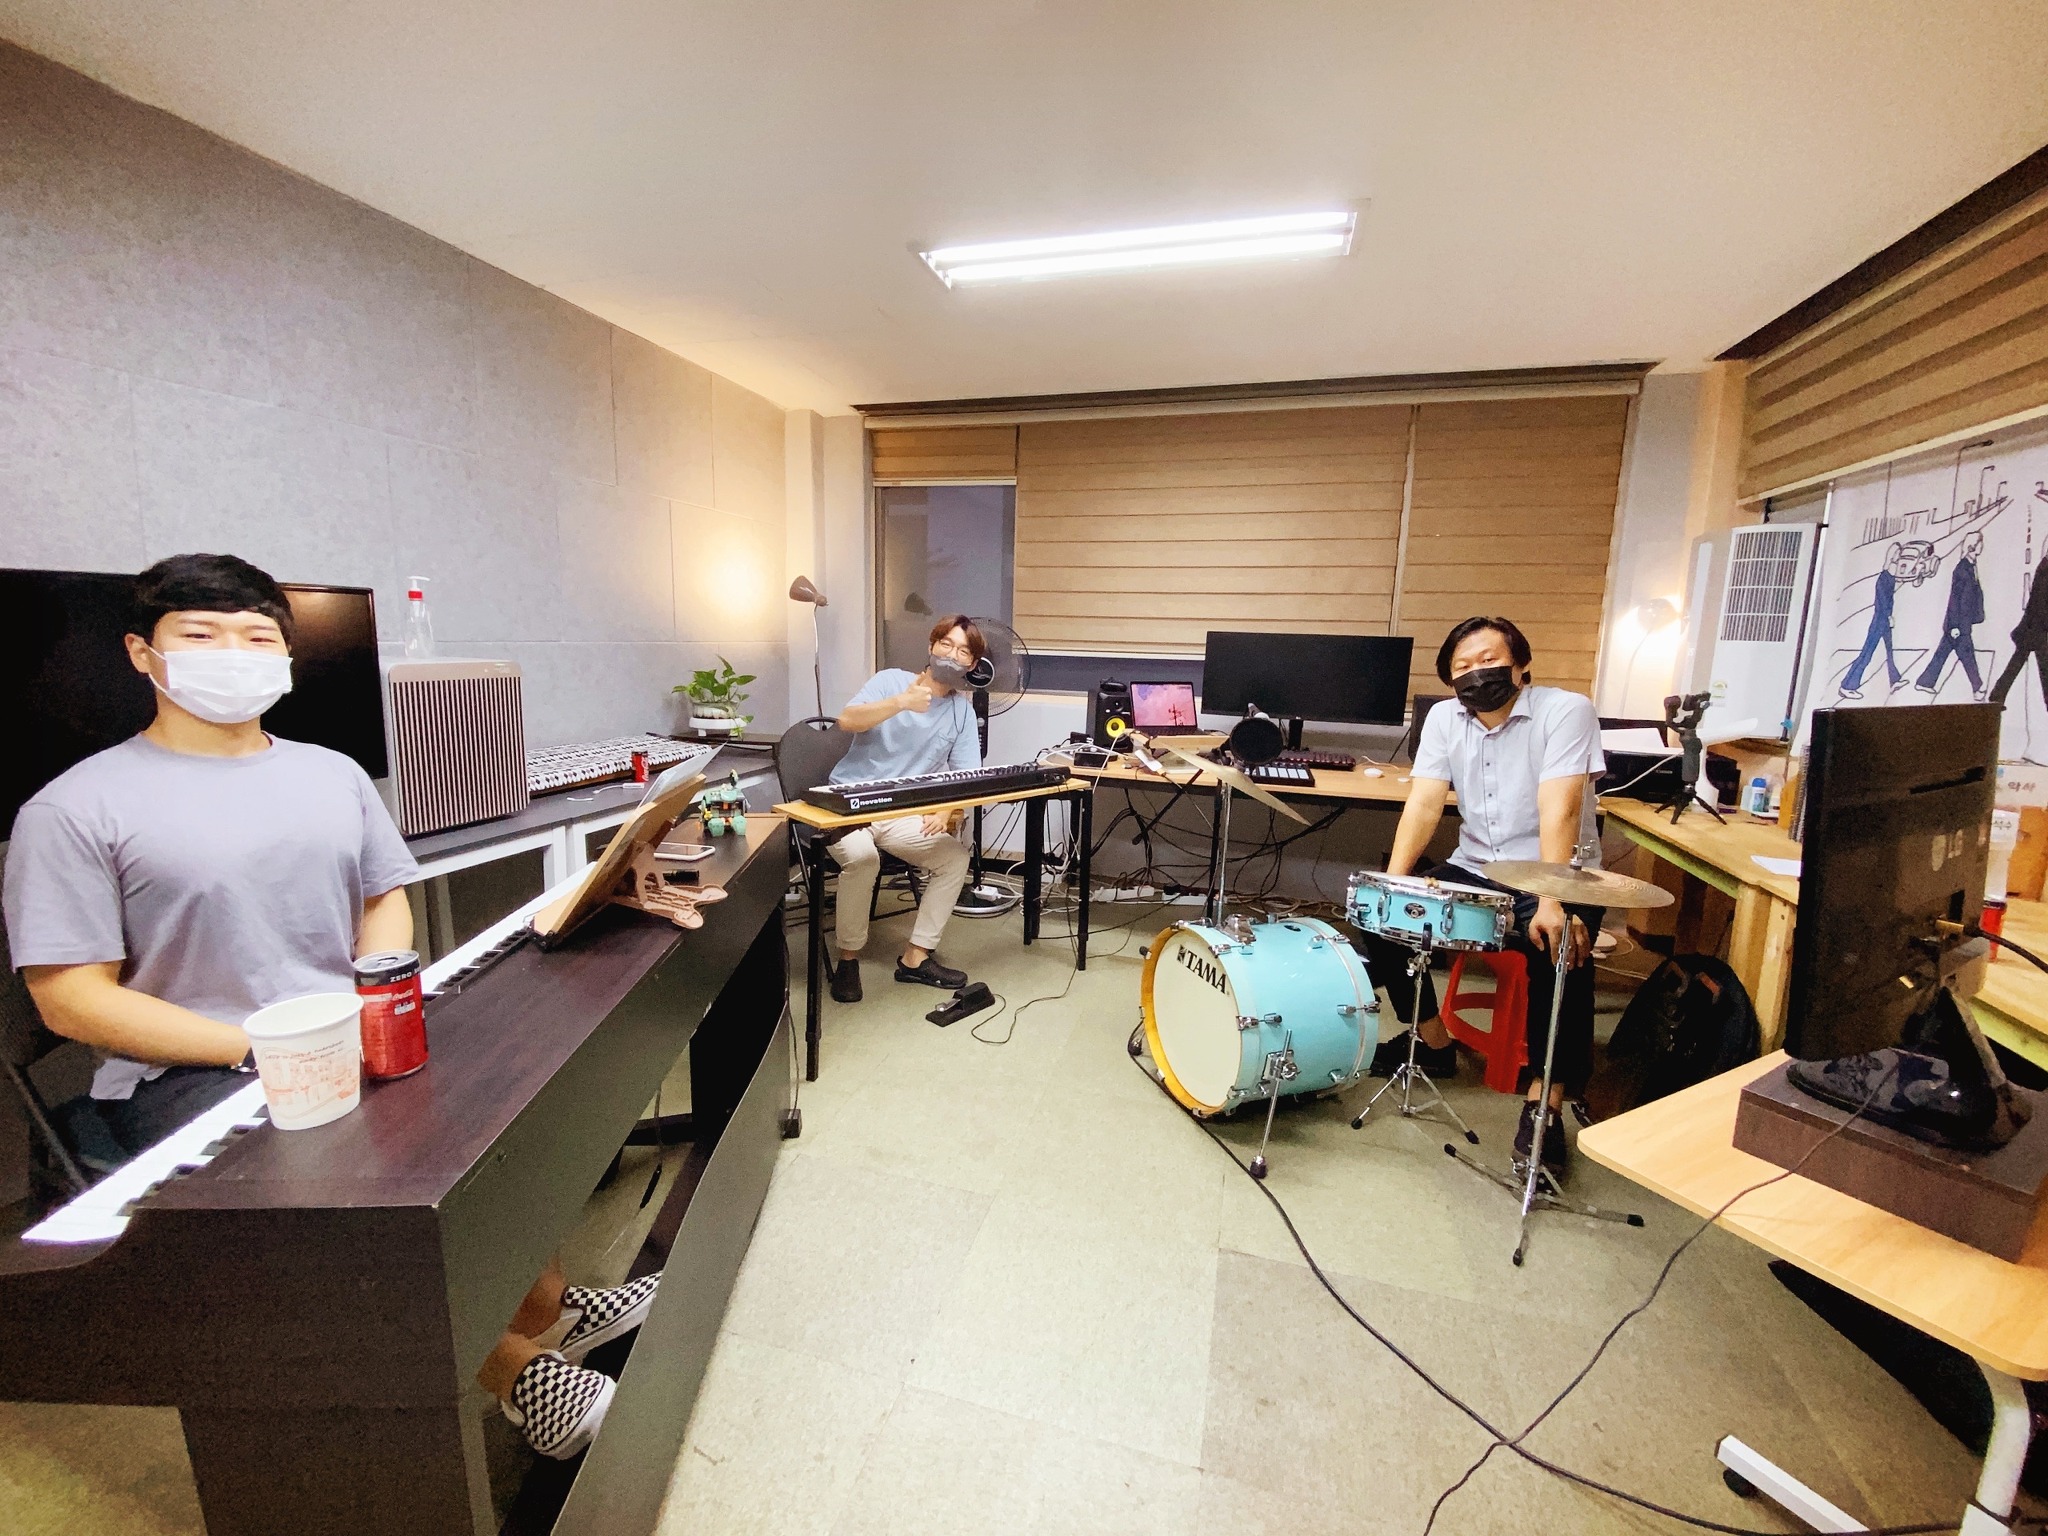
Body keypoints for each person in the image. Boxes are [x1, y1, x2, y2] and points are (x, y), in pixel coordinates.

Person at [1, 553, 644, 1461]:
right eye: (201, 634)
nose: (233, 654)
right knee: (368, 1202)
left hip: (353, 1032)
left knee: (503, 1118)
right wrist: (259, 1048)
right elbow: (68, 999)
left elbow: (384, 895)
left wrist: (375, 994)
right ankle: (514, 1371)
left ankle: (550, 1311)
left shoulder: (331, 773)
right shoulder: (75, 809)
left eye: (257, 636)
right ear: (143, 653)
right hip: (196, 1069)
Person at [1356, 616, 1605, 1175]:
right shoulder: (1445, 718)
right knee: (1378, 919)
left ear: (1521, 664)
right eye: (1462, 667)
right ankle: (1435, 1043)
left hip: (1556, 872)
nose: (1477, 674)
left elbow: (1560, 807)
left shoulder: (1566, 711)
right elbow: (1425, 803)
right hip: (1476, 866)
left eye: (1489, 660)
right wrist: (1393, 884)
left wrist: (1551, 899)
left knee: (1559, 950)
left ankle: (1545, 1103)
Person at [825, 615, 984, 1002]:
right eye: (946, 644)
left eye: (963, 651)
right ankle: (848, 959)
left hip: (900, 814)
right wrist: (901, 703)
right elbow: (847, 720)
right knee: (863, 859)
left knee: (954, 859)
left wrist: (948, 810)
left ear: (973, 665)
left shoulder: (962, 712)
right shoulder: (890, 681)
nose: (952, 655)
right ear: (931, 646)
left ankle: (916, 957)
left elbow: (968, 777)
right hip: (849, 805)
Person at [1916, 531, 1987, 699]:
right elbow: (1955, 599)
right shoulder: (1962, 569)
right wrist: (1954, 625)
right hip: (1958, 625)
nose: (1982, 546)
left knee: (1942, 654)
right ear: (1972, 547)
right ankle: (1977, 689)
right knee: (1967, 656)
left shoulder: (1971, 566)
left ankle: (1924, 682)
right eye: (1980, 543)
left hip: (1961, 623)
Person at [1840, 542, 1905, 699]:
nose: (1898, 560)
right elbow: (1881, 602)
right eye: (1897, 557)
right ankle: (1847, 685)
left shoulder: (1890, 577)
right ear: (1891, 558)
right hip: (1880, 621)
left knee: (1889, 651)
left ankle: (1894, 680)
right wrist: (1888, 617)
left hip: (1884, 621)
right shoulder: (1884, 578)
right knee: (1867, 653)